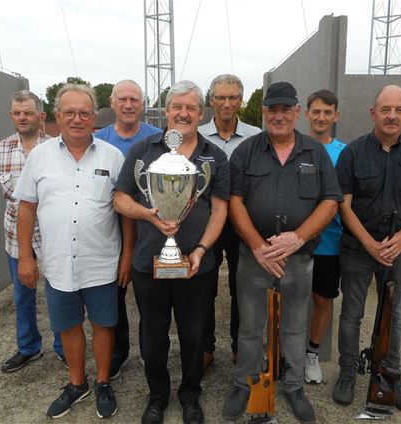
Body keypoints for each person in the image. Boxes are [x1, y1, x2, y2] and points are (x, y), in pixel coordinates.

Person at [223, 82, 342, 423]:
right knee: (249, 327)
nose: (279, 116)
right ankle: (244, 382)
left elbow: (330, 201)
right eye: (272, 110)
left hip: (298, 259)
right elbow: (235, 202)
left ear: (296, 113)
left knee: (293, 328)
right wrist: (260, 247)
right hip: (254, 259)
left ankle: (292, 385)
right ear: (264, 113)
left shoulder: (315, 153)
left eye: (285, 110)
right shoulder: (247, 151)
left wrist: (298, 238)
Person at [114, 80, 229, 424]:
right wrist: (147, 213)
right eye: (177, 106)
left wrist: (202, 249)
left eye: (191, 108)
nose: (183, 113)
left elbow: (220, 210)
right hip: (150, 263)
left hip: (197, 265)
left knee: (195, 335)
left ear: (201, 113)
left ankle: (190, 396)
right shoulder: (142, 151)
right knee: (152, 335)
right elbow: (120, 198)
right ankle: (158, 396)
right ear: (166, 112)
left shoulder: (215, 156)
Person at [14, 84, 127, 419]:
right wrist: (25, 257)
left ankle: (104, 380)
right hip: (59, 262)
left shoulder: (113, 156)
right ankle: (78, 384)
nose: (77, 119)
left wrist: (126, 257)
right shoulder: (40, 156)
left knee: (104, 324)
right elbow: (26, 209)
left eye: (84, 113)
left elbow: (125, 210)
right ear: (58, 117)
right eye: (70, 112)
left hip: (102, 261)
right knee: (68, 326)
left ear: (94, 117)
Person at [333, 85, 401, 412]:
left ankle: (391, 374)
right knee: (351, 314)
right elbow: (343, 205)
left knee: (394, 316)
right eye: (386, 109)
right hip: (358, 249)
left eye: (399, 110)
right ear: (373, 113)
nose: (392, 116)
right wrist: (368, 242)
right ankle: (348, 372)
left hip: (398, 251)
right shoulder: (352, 153)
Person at [0, 90, 64, 373]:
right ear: (11, 116)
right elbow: (9, 197)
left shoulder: (57, 148)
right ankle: (28, 347)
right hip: (16, 236)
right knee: (22, 295)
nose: (22, 117)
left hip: (51, 235)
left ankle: (62, 347)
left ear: (41, 116)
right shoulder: (0, 150)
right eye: (17, 113)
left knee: (58, 294)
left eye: (28, 112)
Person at [95, 79, 162, 379]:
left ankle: (150, 351)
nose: (128, 105)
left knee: (150, 299)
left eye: (135, 99)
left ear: (143, 103)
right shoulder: (98, 140)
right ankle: (119, 351)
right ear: (112, 102)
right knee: (115, 297)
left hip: (151, 232)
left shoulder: (159, 140)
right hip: (109, 234)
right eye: (122, 99)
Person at [198, 74, 261, 371]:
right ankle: (205, 347)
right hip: (205, 224)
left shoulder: (255, 136)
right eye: (220, 97)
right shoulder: (195, 136)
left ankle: (240, 346)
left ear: (241, 100)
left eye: (232, 97)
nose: (226, 103)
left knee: (242, 287)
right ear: (211, 100)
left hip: (241, 224)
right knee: (204, 286)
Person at [303, 89, 346, 384]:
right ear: (307, 114)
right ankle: (282, 352)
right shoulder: (292, 147)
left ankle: (312, 354)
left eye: (327, 112)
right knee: (285, 298)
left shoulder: (345, 153)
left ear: (335, 116)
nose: (321, 117)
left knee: (322, 299)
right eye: (316, 111)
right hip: (294, 243)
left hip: (329, 243)